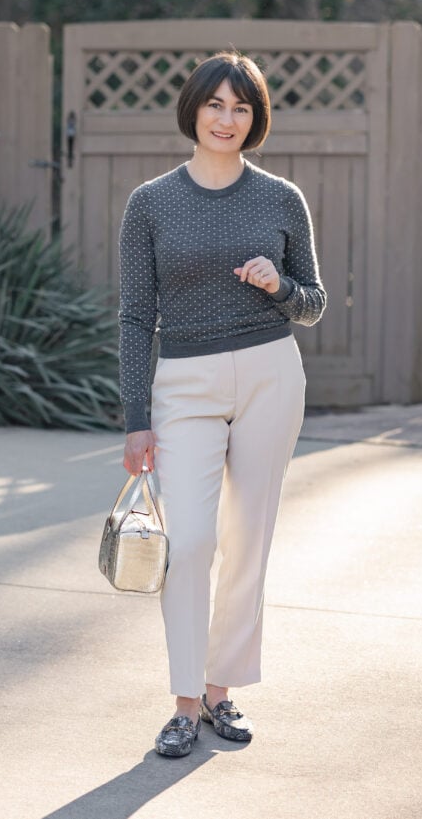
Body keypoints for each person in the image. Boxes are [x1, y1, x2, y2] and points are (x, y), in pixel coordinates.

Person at [118, 50, 326, 757]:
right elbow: (133, 317)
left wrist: (277, 285)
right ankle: (182, 702)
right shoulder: (150, 203)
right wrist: (136, 420)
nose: (226, 119)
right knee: (191, 543)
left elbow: (313, 303)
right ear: (194, 110)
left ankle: (218, 691)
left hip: (270, 374)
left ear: (254, 118)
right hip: (184, 383)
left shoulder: (281, 198)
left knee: (248, 539)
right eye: (215, 104)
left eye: (241, 107)